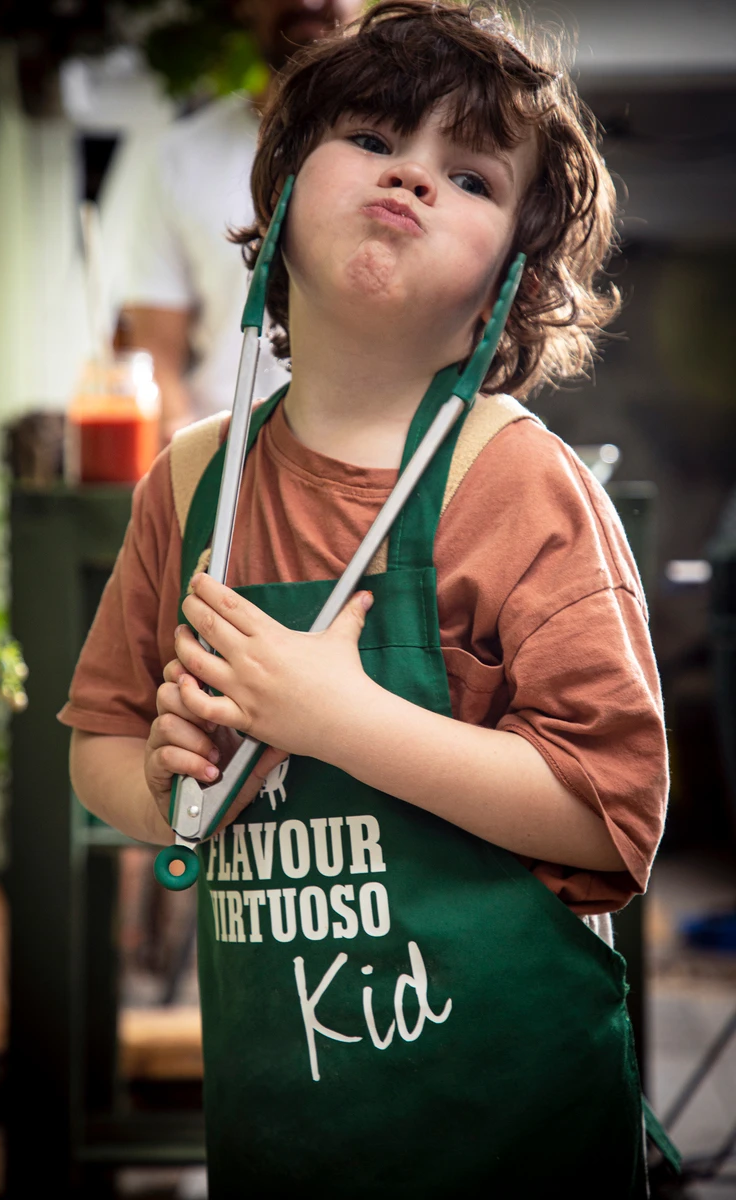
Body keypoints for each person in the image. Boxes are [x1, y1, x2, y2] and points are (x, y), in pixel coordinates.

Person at [61, 2, 672, 1194]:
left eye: (470, 176)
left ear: (508, 283)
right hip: (285, 1139)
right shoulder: (189, 481)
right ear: (280, 189)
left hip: (513, 1145)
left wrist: (335, 720)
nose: (410, 175)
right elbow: (99, 744)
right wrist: (163, 784)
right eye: (371, 137)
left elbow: (613, 816)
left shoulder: (515, 483)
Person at [108, 0, 361, 440]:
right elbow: (156, 352)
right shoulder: (179, 158)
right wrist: (195, 460)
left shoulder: (413, 162)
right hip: (226, 455)